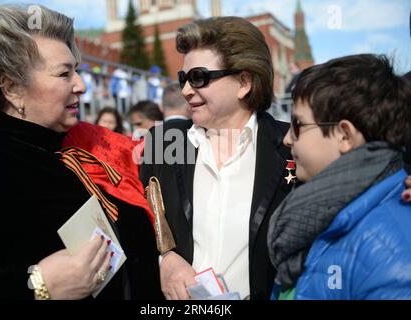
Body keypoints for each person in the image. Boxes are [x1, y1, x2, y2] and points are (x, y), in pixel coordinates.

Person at [0, 5, 162, 300]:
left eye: (77, 71)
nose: (80, 86)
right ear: (12, 88)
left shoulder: (90, 144)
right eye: (64, 74)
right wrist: (39, 286)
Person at [140, 17, 295, 300]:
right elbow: (134, 217)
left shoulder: (292, 145)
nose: (186, 90)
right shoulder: (165, 140)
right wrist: (166, 258)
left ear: (244, 82)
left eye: (199, 77)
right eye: (183, 79)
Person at [268, 54, 411, 299]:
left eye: (298, 124)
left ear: (344, 135)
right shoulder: (319, 214)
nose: (287, 138)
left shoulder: (388, 247)